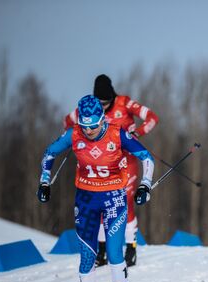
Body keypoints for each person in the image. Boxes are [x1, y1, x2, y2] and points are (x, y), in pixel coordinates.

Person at [38, 95, 154, 282]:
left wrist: (145, 185)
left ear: (102, 119)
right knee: (86, 256)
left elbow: (147, 158)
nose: (89, 131)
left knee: (113, 253)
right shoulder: (74, 133)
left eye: (94, 126)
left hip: (113, 198)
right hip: (86, 199)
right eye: (85, 126)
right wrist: (44, 181)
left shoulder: (117, 133)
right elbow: (49, 153)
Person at [64, 74, 159, 267]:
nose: (103, 106)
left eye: (106, 102)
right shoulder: (90, 107)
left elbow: (152, 118)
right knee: (100, 206)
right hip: (101, 165)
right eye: (100, 103)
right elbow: (67, 121)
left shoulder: (125, 103)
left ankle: (131, 247)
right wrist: (77, 134)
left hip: (127, 161)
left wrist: (137, 132)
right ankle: (101, 251)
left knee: (126, 201)